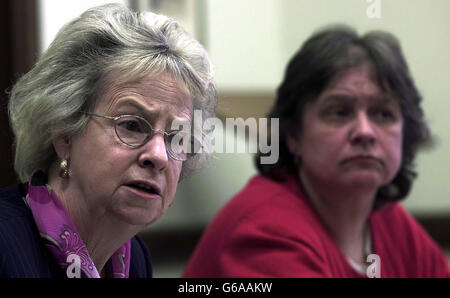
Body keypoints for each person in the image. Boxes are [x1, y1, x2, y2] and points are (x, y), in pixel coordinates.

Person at [183, 26, 450, 278]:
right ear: (294, 135)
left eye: (383, 114)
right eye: (339, 112)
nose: (365, 132)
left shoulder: (391, 222)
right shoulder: (266, 230)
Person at [0, 3, 215, 278]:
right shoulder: (6, 248)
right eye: (132, 125)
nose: (160, 155)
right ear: (65, 131)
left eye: (177, 138)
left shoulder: (134, 257)